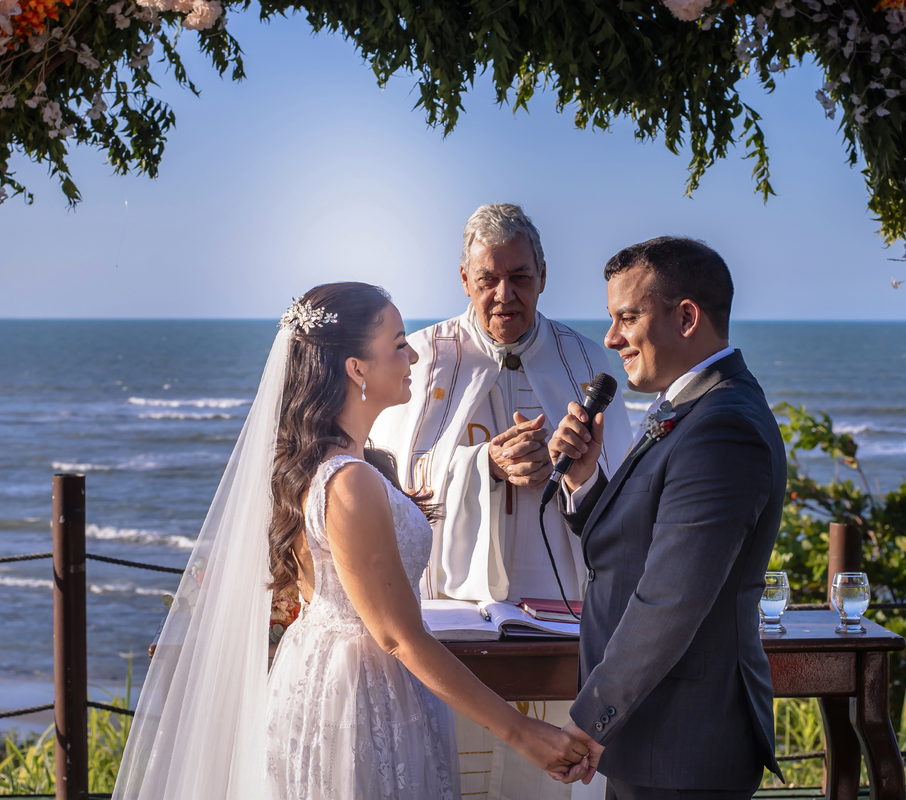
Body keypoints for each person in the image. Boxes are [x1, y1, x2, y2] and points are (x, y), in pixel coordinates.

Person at [112, 283, 593, 800]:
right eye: (399, 344)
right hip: (358, 698)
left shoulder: (342, 465)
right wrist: (524, 734)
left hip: (336, 674)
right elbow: (399, 637)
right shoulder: (349, 481)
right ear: (357, 368)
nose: (413, 356)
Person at [371, 205, 630, 799]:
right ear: (465, 279)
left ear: (544, 276)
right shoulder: (419, 358)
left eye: (520, 277)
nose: (504, 295)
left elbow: (623, 488)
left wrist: (574, 471)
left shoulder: (586, 361)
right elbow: (387, 486)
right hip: (450, 612)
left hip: (561, 611)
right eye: (488, 278)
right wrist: (482, 464)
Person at [548, 238, 786, 799]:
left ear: (686, 318)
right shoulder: (690, 406)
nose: (611, 338)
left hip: (684, 742)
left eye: (627, 317)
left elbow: (671, 597)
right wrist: (584, 481)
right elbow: (641, 542)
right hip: (652, 735)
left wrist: (590, 718)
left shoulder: (723, 426)